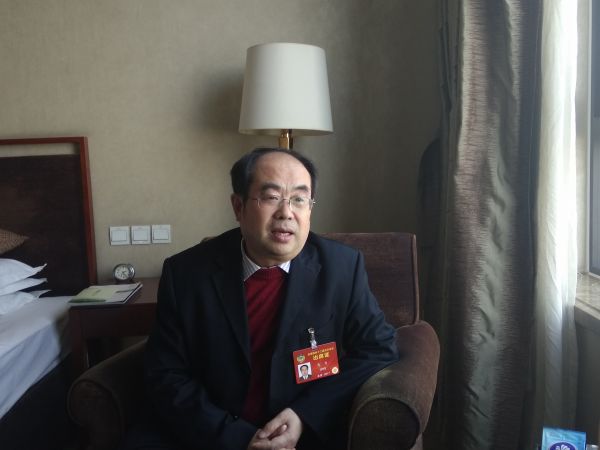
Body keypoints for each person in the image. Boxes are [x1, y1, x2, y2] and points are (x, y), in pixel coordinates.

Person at [121, 147, 399, 450]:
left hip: (301, 433)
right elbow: (166, 374)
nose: (286, 213)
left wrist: (304, 414)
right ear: (238, 207)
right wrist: (238, 438)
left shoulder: (341, 268)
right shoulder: (186, 274)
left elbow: (378, 348)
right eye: (271, 197)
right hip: (209, 433)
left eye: (299, 199)